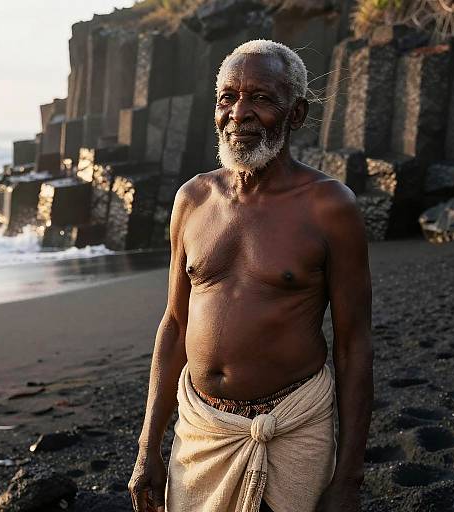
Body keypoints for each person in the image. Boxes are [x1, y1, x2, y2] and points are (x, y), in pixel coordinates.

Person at [128, 39, 373, 512]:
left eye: (260, 98)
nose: (239, 112)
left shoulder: (330, 207)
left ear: (296, 114)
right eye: (228, 96)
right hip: (201, 429)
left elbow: (354, 344)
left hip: (292, 424)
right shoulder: (193, 199)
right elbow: (175, 325)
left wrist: (349, 478)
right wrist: (147, 447)